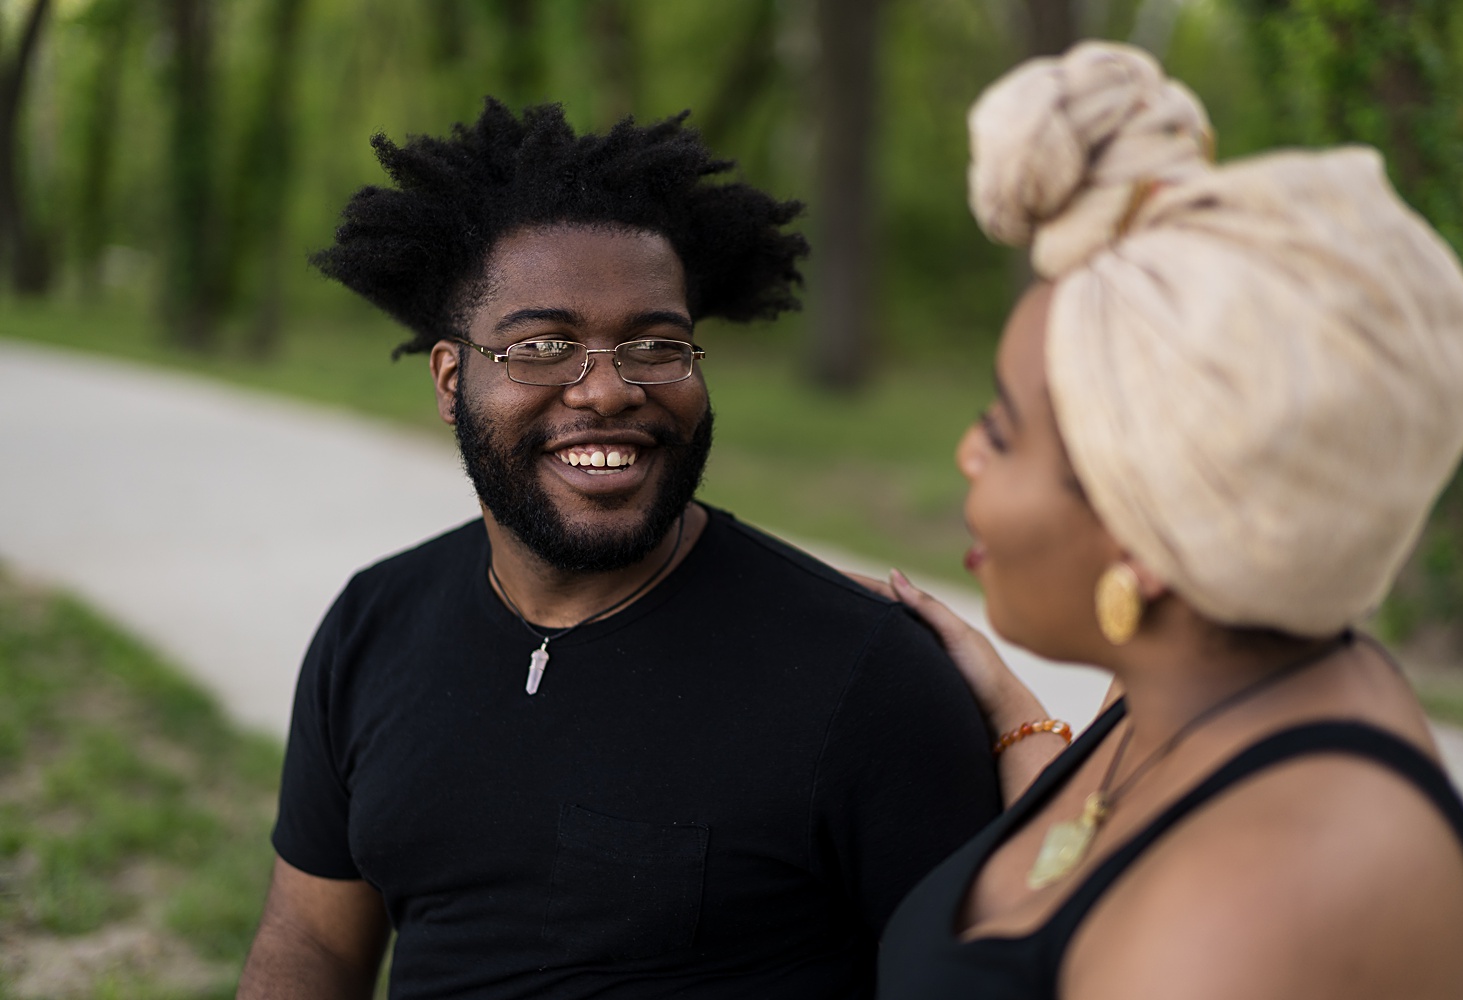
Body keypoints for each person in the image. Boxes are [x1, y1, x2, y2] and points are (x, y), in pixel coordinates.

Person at [235, 102, 1043, 1000]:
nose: (610, 390)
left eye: (656, 345)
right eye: (545, 346)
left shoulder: (864, 677)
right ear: (452, 380)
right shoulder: (372, 627)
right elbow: (311, 940)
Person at [874, 42, 1463, 1000]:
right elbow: (1096, 862)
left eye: (1000, 431)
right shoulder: (1203, 684)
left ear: (1144, 539)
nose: (966, 452)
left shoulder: (1258, 912)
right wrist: (1013, 716)